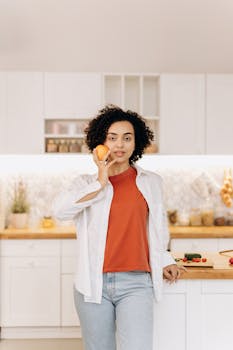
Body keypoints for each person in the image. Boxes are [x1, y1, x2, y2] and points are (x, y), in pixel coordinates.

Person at [53, 105, 185, 350]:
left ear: (137, 142)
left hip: (136, 283)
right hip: (93, 285)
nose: (119, 145)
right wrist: (101, 181)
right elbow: (60, 211)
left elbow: (158, 227)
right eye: (112, 138)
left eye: (127, 137)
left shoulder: (151, 182)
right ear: (100, 141)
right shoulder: (85, 184)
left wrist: (165, 258)